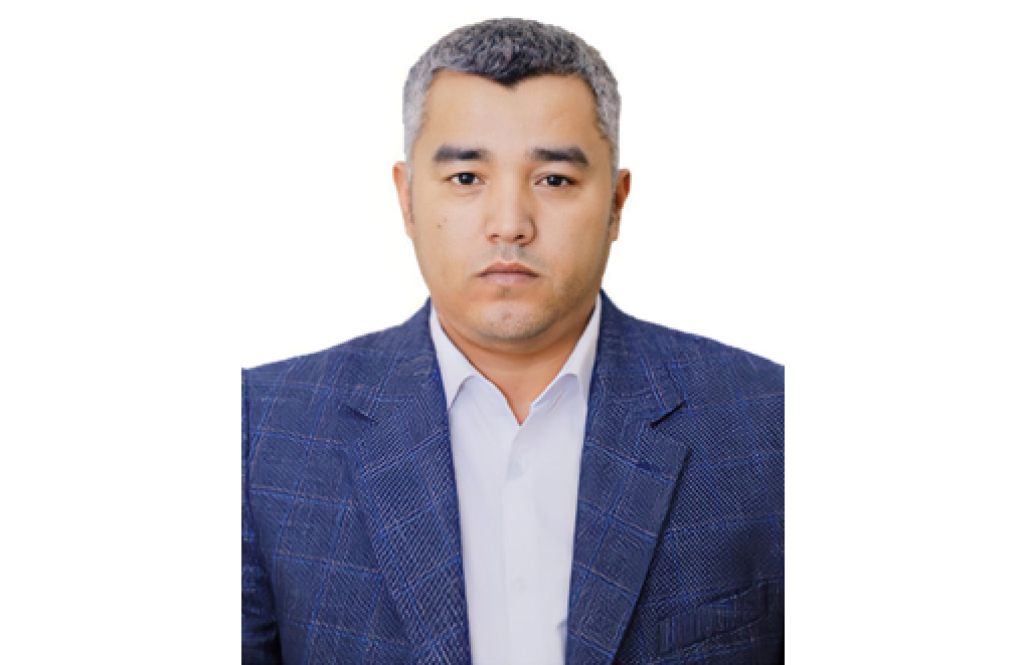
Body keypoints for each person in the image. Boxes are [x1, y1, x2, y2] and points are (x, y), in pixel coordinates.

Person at [242, 17, 783, 665]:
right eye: (467, 177)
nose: (509, 224)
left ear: (616, 202)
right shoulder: (259, 430)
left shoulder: (770, 422)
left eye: (553, 179)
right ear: (407, 199)